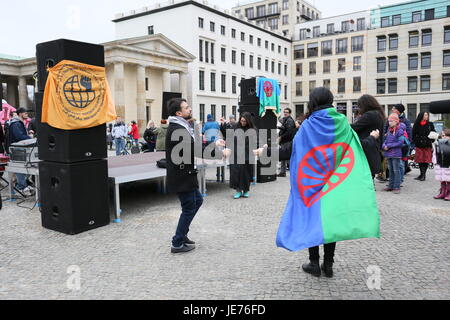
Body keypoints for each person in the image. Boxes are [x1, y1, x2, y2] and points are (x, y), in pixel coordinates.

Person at [274, 87, 380, 278]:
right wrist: (371, 140)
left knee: (313, 220)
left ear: (312, 102)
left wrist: (267, 153)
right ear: (331, 101)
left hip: (311, 183)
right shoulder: (342, 123)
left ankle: (314, 263)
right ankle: (328, 264)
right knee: (331, 222)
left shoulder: (308, 125)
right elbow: (355, 147)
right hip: (334, 182)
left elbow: (291, 149)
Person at [166, 98, 227, 254]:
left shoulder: (182, 126)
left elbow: (195, 146)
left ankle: (182, 234)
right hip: (182, 176)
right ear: (179, 113)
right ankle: (177, 242)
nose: (190, 109)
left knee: (197, 201)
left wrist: (214, 145)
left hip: (186, 174)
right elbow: (195, 150)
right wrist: (220, 153)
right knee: (188, 207)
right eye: (187, 108)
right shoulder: (176, 129)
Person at [351, 95, 386, 179]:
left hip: (367, 149)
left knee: (364, 179)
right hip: (374, 149)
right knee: (370, 178)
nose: (359, 109)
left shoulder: (370, 115)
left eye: (359, 106)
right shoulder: (378, 114)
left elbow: (353, 128)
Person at [229, 112, 257, 199]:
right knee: (236, 171)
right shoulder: (235, 127)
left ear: (248, 121)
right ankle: (238, 190)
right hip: (236, 153)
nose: (243, 123)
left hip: (247, 153)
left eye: (245, 121)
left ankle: (245, 190)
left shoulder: (253, 129)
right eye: (241, 121)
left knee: (246, 172)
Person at [7, 108, 33, 196]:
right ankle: (21, 187)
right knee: (20, 168)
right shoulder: (16, 123)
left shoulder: (18, 123)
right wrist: (30, 138)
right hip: (16, 149)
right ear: (20, 114)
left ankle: (21, 185)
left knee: (23, 168)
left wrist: (28, 135)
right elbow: (19, 136)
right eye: (25, 113)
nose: (27, 115)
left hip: (18, 148)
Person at [382, 113, 404, 194]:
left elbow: (401, 142)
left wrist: (389, 146)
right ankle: (390, 186)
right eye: (389, 121)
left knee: (396, 170)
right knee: (390, 170)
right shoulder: (389, 130)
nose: (389, 122)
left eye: (391, 121)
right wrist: (384, 145)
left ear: (396, 121)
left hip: (396, 154)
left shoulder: (399, 130)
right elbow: (385, 140)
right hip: (389, 153)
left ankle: (397, 186)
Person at [412, 112, 435, 181]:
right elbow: (413, 133)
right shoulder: (417, 124)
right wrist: (416, 141)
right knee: (420, 160)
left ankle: (423, 175)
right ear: (421, 116)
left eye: (427, 115)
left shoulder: (430, 124)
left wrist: (432, 139)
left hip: (427, 144)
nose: (427, 116)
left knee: (426, 160)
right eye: (425, 115)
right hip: (419, 144)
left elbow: (433, 132)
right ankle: (421, 174)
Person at [277, 108, 296, 177]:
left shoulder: (289, 120)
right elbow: (286, 129)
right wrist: (280, 128)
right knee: (285, 157)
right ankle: (283, 172)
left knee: (286, 157)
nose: (285, 113)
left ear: (290, 113)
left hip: (287, 141)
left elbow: (289, 132)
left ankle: (284, 172)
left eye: (287, 112)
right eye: (284, 112)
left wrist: (281, 137)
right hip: (286, 141)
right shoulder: (286, 120)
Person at [433, 129, 450, 201]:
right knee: (442, 179)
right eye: (442, 135)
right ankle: (442, 192)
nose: (444, 137)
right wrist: (435, 161)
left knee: (449, 179)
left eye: (446, 135)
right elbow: (435, 153)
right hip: (440, 164)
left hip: (448, 164)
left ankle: (449, 193)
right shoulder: (438, 143)